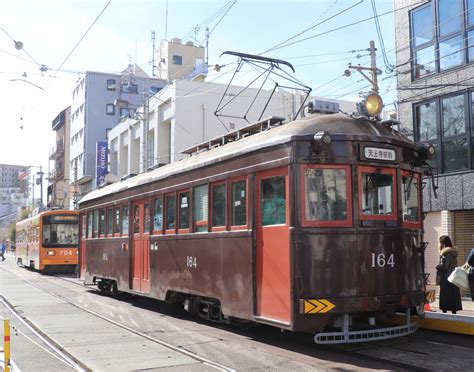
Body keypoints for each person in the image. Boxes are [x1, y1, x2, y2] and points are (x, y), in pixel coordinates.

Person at [436, 235, 462, 314]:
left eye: (440, 242)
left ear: (443, 243)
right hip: (453, 276)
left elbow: (445, 267)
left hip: (446, 277)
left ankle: (445, 310)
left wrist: (438, 267)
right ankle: (454, 311)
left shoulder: (446, 253)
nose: (439, 244)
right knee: (453, 294)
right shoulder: (453, 252)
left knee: (445, 295)